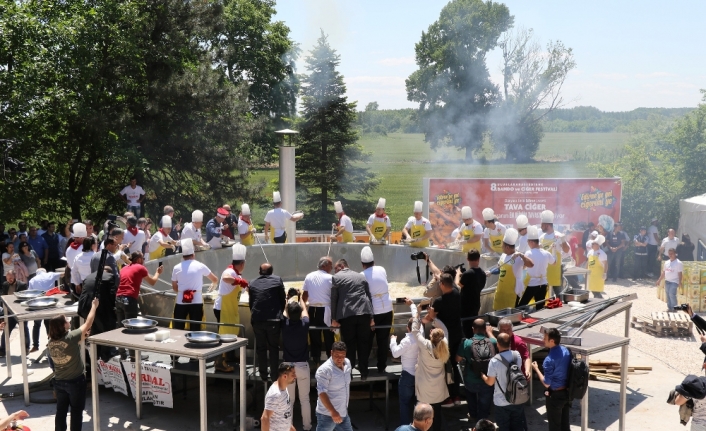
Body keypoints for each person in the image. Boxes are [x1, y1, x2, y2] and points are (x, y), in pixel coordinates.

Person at [49, 297, 99, 431]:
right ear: (62, 325)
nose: (69, 321)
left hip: (59, 382)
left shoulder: (51, 342)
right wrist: (94, 306)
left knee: (61, 412)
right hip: (75, 382)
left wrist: (82, 337)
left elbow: (70, 345)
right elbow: (88, 323)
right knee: (76, 412)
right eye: (66, 320)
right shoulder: (70, 337)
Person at [330, 259, 374, 380]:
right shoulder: (361, 276)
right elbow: (368, 296)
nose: (335, 271)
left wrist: (334, 318)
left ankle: (348, 373)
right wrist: (371, 317)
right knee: (363, 344)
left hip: (347, 314)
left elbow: (334, 299)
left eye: (336, 268)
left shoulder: (336, 278)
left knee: (349, 344)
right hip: (364, 313)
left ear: (342, 266)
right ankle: (364, 372)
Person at [116, 251, 163, 360]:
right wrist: (158, 273)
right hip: (129, 299)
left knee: (121, 327)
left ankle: (122, 352)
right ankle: (133, 355)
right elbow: (152, 282)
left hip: (118, 298)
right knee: (132, 328)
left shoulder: (123, 268)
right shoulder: (140, 268)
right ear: (138, 259)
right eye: (143, 258)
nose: (144, 261)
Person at [411, 299, 449, 431]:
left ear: (431, 335)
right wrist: (434, 319)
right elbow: (444, 330)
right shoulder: (445, 346)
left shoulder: (425, 345)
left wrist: (417, 314)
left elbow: (415, 330)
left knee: (423, 417)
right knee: (436, 414)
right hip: (438, 388)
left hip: (424, 387)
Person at [481, 333, 527, 431]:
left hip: (501, 402)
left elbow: (490, 382)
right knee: (517, 426)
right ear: (510, 343)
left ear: (497, 344)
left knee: (504, 427)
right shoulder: (516, 355)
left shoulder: (494, 361)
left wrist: (483, 376)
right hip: (517, 399)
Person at [170, 238, 218, 331]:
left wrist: (183, 292)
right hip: (196, 300)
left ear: (183, 256)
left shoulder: (176, 268)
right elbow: (215, 279)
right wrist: (214, 284)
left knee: (178, 328)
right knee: (195, 328)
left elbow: (174, 287)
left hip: (181, 300)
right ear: (193, 255)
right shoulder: (200, 265)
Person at [249, 263, 286, 382]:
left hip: (258, 319)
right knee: (274, 348)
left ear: (259, 272)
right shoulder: (277, 280)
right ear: (272, 272)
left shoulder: (253, 282)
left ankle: (263, 374)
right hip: (274, 320)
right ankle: (274, 375)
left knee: (261, 348)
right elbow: (282, 299)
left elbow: (251, 302)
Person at [430, 273, 463, 407]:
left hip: (445, 338)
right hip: (457, 334)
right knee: (454, 365)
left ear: (442, 284)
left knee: (445, 366)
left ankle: (448, 397)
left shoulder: (439, 301)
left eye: (439, 283)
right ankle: (456, 396)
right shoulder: (457, 294)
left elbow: (432, 316)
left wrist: (430, 310)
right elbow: (455, 283)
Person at [214, 243, 248, 372]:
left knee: (231, 332)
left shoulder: (237, 275)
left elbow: (245, 289)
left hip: (231, 308)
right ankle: (219, 362)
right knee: (223, 334)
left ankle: (230, 356)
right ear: (242, 264)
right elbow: (225, 278)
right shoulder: (230, 272)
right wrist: (240, 281)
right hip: (222, 308)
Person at [531, 328, 572, 431]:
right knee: (565, 425)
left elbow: (547, 383)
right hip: (567, 393)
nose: (543, 340)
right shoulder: (566, 351)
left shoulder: (548, 360)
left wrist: (536, 369)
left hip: (555, 396)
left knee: (554, 426)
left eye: (545, 338)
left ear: (552, 341)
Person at [360, 246, 393, 373]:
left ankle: (364, 367)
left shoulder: (361, 275)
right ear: (373, 261)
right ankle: (381, 366)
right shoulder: (382, 269)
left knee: (367, 340)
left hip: (372, 312)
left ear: (362, 264)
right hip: (387, 308)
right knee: (383, 340)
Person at [456, 318, 496, 422]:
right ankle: (482, 421)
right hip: (487, 379)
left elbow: (457, 359)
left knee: (471, 396)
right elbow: (496, 340)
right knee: (485, 402)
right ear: (484, 329)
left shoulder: (467, 343)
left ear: (473, 329)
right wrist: (490, 332)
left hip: (470, 379)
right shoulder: (492, 342)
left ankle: (473, 414)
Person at [282, 296, 312, 431]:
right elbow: (305, 310)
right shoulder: (305, 324)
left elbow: (284, 312)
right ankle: (307, 427)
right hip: (302, 366)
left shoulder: (284, 324)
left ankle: (289, 427)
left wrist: (287, 300)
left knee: (290, 401)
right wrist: (301, 299)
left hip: (288, 367)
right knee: (305, 399)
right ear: (299, 313)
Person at [390, 299, 419, 427]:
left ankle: (406, 428)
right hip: (419, 375)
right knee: (418, 405)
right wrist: (412, 305)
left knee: (405, 404)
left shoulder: (407, 340)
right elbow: (415, 318)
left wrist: (392, 340)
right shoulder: (421, 334)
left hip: (407, 375)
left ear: (407, 328)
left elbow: (395, 353)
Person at [302, 257, 334, 365]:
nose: (332, 267)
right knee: (329, 336)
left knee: (314, 337)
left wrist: (302, 307)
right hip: (326, 310)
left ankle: (316, 361)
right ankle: (331, 360)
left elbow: (304, 295)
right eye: (330, 265)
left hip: (313, 310)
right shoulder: (331, 278)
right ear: (324, 266)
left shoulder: (309, 276)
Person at [315, 341, 353, 431]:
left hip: (343, 413)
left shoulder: (347, 363)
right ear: (331, 353)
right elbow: (321, 393)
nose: (340, 359)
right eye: (337, 356)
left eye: (342, 356)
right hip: (327, 415)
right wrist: (333, 412)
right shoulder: (324, 370)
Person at [492, 229, 532, 310]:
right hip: (500, 292)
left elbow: (531, 264)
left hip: (512, 293)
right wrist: (490, 272)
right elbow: (499, 269)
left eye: (502, 245)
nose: (501, 247)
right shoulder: (503, 255)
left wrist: (521, 255)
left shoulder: (517, 258)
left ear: (507, 247)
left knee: (511, 314)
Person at [518, 226, 556, 309]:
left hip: (532, 283)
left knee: (521, 305)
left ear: (531, 242)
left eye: (528, 242)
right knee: (540, 307)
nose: (528, 244)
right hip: (543, 283)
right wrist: (553, 250)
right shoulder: (546, 253)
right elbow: (554, 263)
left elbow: (524, 267)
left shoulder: (529, 253)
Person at [455, 249, 486, 338]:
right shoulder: (483, 273)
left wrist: (458, 274)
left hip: (465, 305)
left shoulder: (467, 274)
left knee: (466, 327)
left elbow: (459, 285)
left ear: (467, 259)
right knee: (474, 325)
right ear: (479, 259)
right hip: (476, 304)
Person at [539, 210, 570, 297]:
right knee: (546, 294)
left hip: (556, 270)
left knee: (558, 293)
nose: (541, 227)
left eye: (542, 225)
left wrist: (563, 240)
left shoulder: (558, 236)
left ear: (547, 225)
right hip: (545, 271)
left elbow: (567, 250)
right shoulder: (541, 238)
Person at [0, 270, 30, 356]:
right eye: (8, 278)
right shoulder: (5, 285)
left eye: (11, 278)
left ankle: (26, 348)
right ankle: (2, 350)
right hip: (9, 311)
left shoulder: (22, 285)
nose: (9, 280)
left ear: (15, 276)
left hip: (20, 311)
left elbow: (24, 298)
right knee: (6, 330)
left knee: (24, 329)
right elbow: (2, 296)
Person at [261, 362, 298, 431]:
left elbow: (283, 415)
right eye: (293, 374)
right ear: (285, 376)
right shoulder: (275, 394)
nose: (295, 376)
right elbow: (265, 418)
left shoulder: (284, 389)